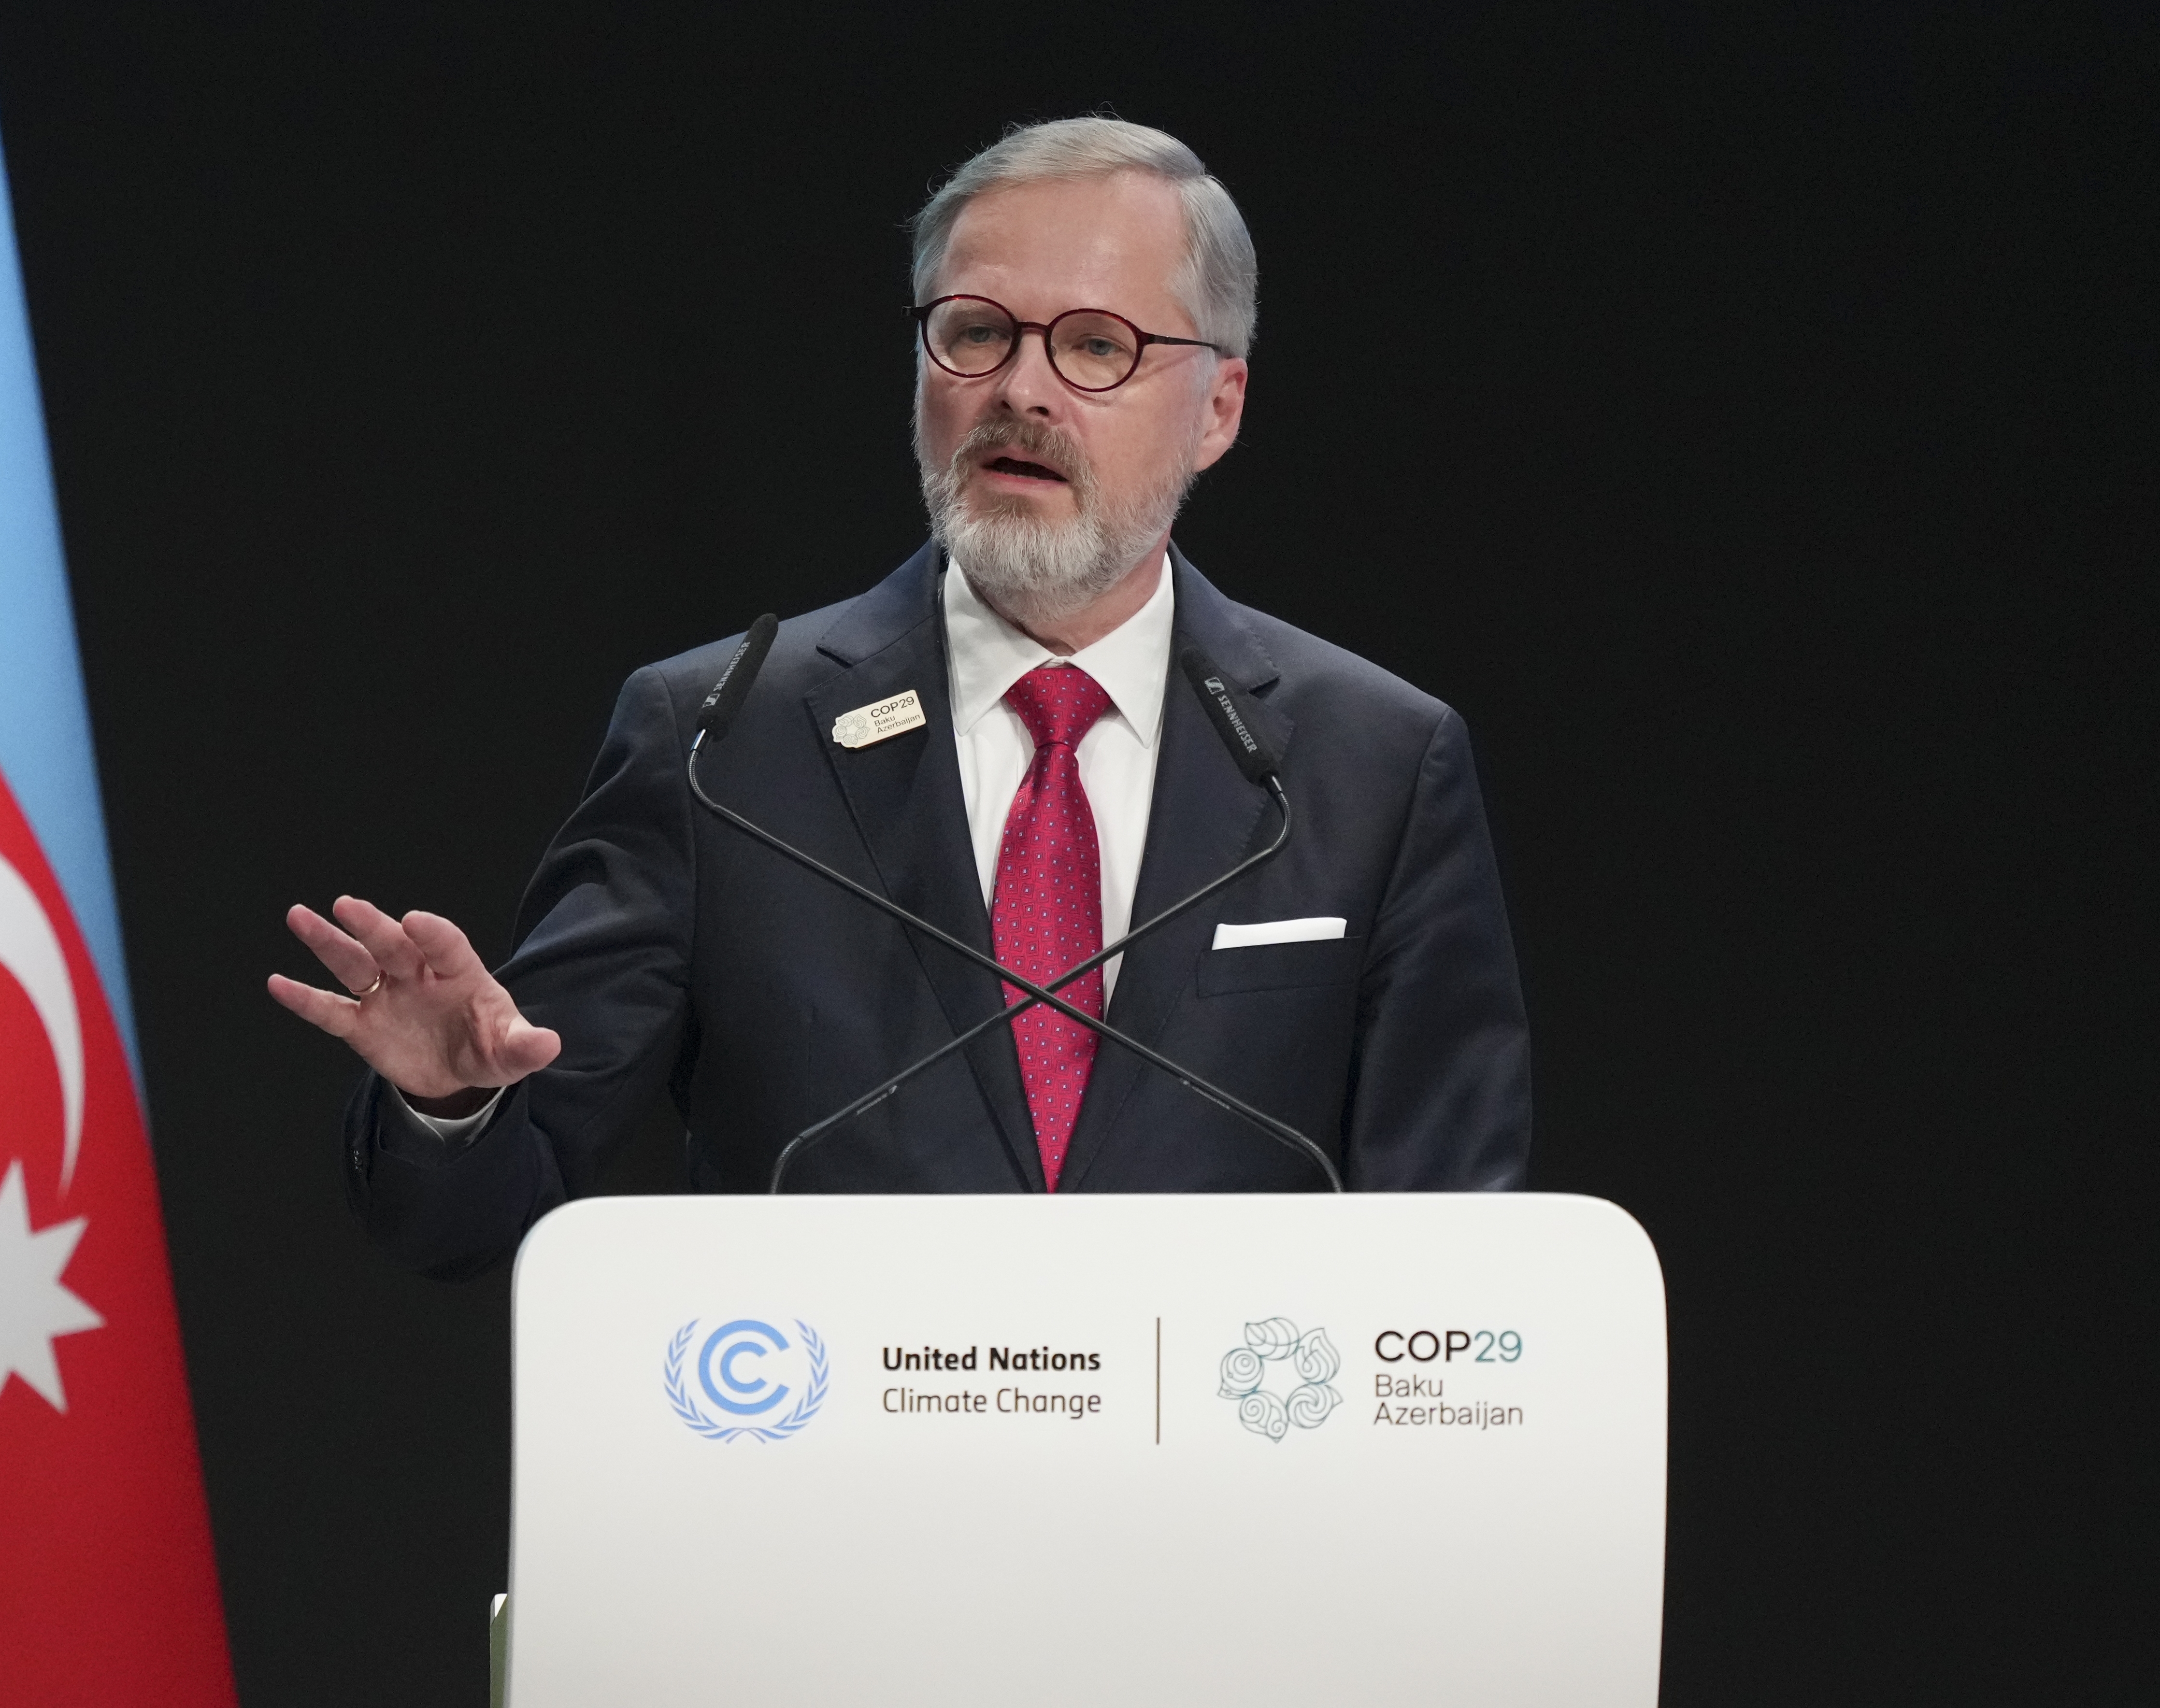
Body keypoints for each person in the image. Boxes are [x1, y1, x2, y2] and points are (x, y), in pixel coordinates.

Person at [269, 117, 1530, 1278]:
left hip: (1223, 1506)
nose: (1021, 392)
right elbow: (470, 1221)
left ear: (1220, 407)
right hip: (833, 1504)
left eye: (1097, 346)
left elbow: (1456, 1262)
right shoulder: (720, 743)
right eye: (977, 332)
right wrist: (454, 1103)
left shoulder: (1373, 765)